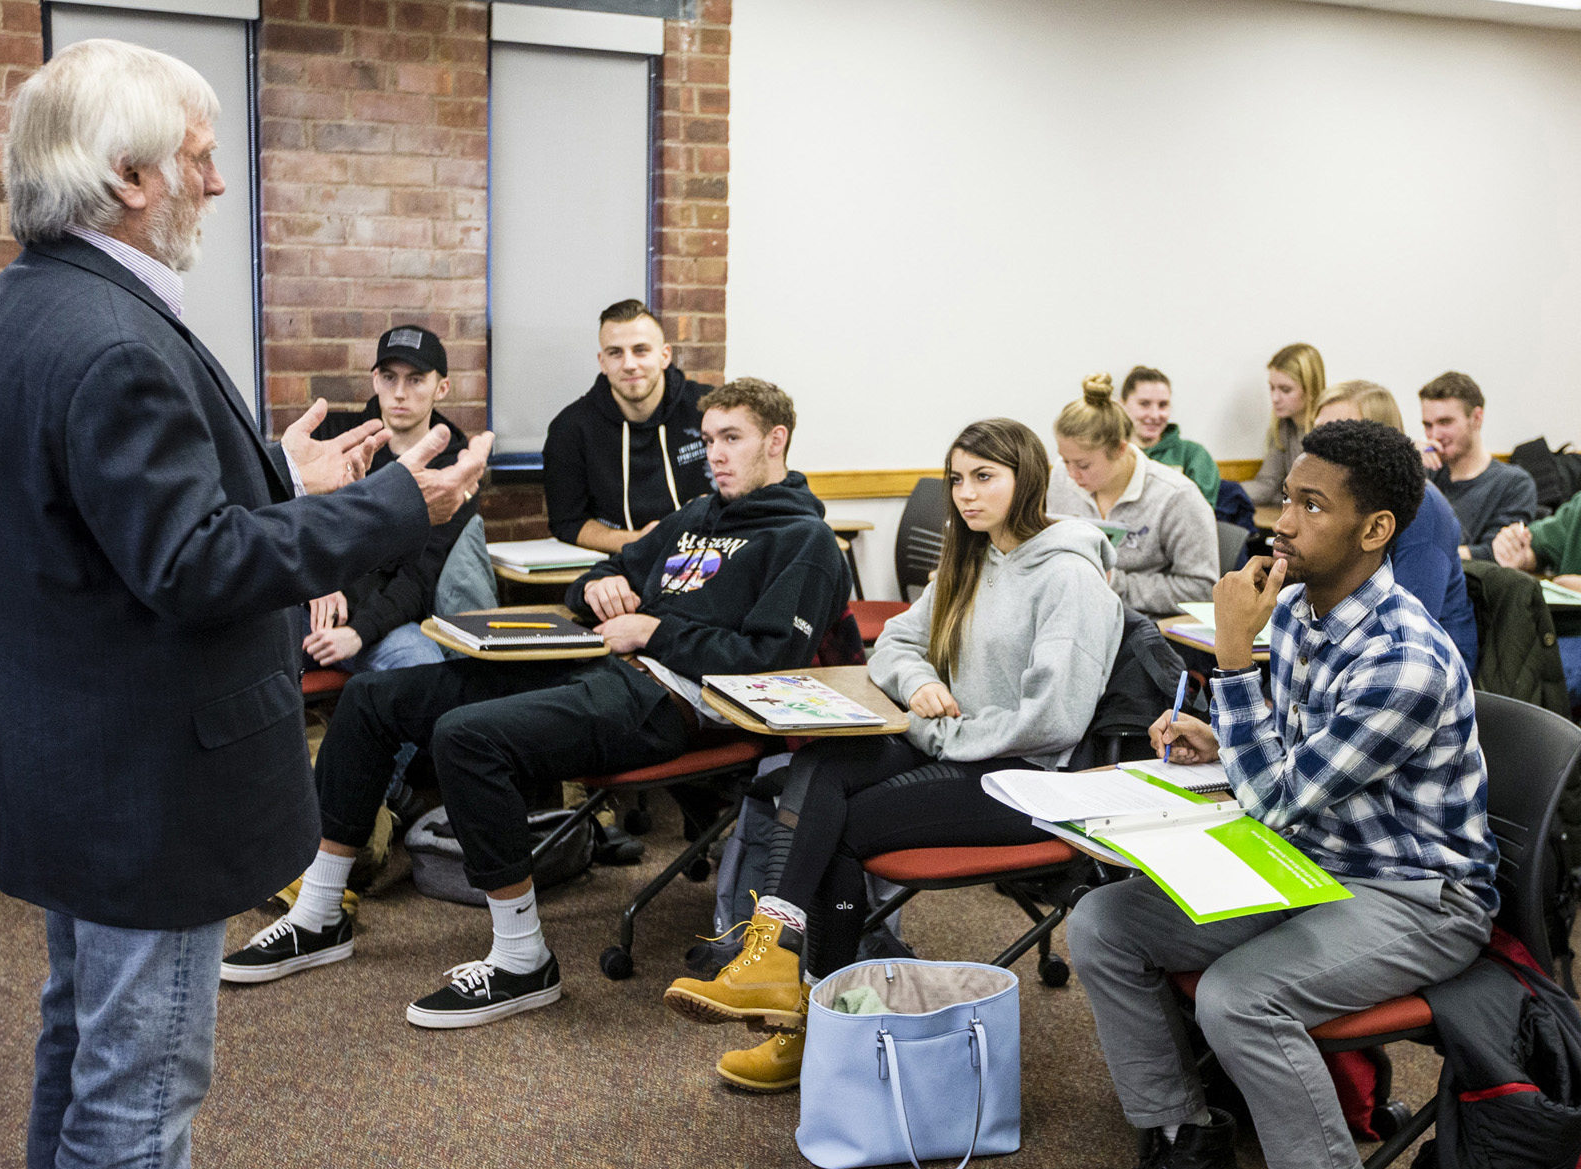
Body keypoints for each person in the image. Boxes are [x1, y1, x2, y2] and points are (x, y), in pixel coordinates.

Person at [0, 41, 489, 1169]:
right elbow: (191, 565)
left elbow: (115, 527)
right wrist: (391, 502)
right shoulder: (113, 339)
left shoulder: (30, 301)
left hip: (75, 758)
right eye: (200, 159)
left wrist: (276, 483)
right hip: (148, 782)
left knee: (83, 1038)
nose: (215, 183)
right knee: (140, 1091)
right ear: (129, 176)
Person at [220, 378, 850, 1029]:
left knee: (467, 738)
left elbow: (773, 660)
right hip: (597, 663)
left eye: (732, 439)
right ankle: (320, 913)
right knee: (375, 697)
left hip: (667, 702)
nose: (714, 454)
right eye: (709, 439)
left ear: (775, 441)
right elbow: (600, 579)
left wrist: (659, 632)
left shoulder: (804, 542)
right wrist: (602, 591)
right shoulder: (695, 519)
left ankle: (524, 961)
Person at [1062, 419, 1497, 1169]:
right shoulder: (1301, 613)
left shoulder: (1405, 659)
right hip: (1315, 860)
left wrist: (1231, 666)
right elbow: (1299, 768)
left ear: (1376, 529)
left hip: (1418, 898)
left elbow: (1279, 799)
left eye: (1312, 506)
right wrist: (1222, 743)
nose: (1283, 523)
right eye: (1286, 499)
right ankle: (1185, 1149)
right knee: (1104, 924)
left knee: (1240, 998)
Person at [663, 418, 1124, 1093]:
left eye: (984, 478)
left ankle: (811, 1024)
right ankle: (774, 960)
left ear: (1027, 479)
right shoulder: (971, 559)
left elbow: (1050, 722)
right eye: (958, 479)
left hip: (1025, 779)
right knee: (820, 764)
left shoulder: (1070, 577)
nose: (965, 495)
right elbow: (894, 648)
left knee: (838, 823)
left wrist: (933, 729)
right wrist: (925, 685)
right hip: (956, 744)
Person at [303, 325, 490, 673]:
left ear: (442, 388)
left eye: (416, 380)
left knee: (420, 669)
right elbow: (298, 525)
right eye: (389, 378)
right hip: (310, 607)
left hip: (384, 621)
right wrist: (315, 585)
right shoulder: (336, 437)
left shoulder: (455, 467)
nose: (399, 393)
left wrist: (359, 632)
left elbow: (421, 576)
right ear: (375, 380)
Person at [1313, 380, 1478, 670]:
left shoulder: (1423, 506)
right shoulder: (1333, 502)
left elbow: (1405, 627)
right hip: (1355, 657)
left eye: (1339, 433)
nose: (1320, 448)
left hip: (1423, 671)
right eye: (1317, 433)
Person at [542, 299, 714, 554]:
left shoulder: (709, 411)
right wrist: (638, 541)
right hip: (619, 563)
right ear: (602, 362)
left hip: (710, 554)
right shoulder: (570, 429)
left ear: (665, 355)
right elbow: (568, 522)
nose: (629, 364)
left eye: (641, 350)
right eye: (615, 353)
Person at [1048, 373, 1217, 616]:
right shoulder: (1062, 475)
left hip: (1145, 629)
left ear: (1120, 449)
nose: (1072, 474)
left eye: (1083, 466)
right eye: (1065, 461)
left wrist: (1115, 582)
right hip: (1076, 611)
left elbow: (1201, 589)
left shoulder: (1177, 496)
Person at [1416, 371, 1537, 562]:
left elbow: (1498, 554)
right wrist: (1408, 464)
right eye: (1428, 425)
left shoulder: (1513, 483)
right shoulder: (1423, 473)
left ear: (1477, 418)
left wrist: (1422, 554)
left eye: (1445, 422)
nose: (1435, 434)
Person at [1493, 493, 1581, 704]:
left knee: (1522, 691)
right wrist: (1520, 551)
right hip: (1552, 632)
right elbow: (1540, 544)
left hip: (1569, 641)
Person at [1122, 364, 1220, 506]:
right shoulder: (1111, 453)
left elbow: (1200, 514)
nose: (1155, 415)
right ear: (1122, 404)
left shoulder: (1193, 455)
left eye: (1162, 405)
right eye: (1144, 404)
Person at [1243, 342, 1324, 505]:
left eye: (1285, 390)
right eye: (1272, 388)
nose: (1275, 398)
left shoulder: (1327, 430)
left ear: (1310, 389)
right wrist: (1222, 490)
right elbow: (1267, 485)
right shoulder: (1283, 427)